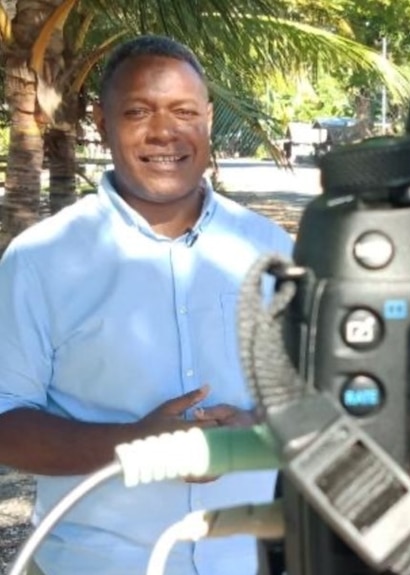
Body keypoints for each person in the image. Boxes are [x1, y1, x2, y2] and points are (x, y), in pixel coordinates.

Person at [0, 35, 294, 575]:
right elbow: (5, 420)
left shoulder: (274, 251)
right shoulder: (40, 260)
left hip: (249, 560)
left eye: (184, 111)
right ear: (101, 120)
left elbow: (325, 392)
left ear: (207, 119)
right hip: (92, 564)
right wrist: (135, 443)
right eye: (138, 111)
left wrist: (255, 427)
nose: (165, 132)